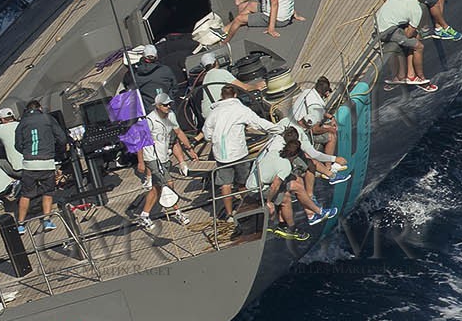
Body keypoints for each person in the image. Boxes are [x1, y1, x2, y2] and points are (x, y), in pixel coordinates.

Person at [203, 84, 283, 221]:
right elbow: (259, 123)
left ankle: (229, 215)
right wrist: (279, 129)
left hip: (221, 155)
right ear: (235, 95)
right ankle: (250, 207)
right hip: (238, 153)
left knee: (225, 184)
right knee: (244, 182)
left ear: (222, 97)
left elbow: (206, 134)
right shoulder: (240, 109)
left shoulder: (214, 113)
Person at [249, 127, 339, 237]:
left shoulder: (275, 152)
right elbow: (275, 186)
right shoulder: (285, 166)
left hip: (254, 180)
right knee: (286, 197)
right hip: (257, 189)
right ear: (296, 155)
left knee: (297, 181)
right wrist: (269, 202)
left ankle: (311, 214)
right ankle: (291, 227)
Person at [133, 90, 195, 231]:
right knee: (169, 183)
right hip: (153, 158)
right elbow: (140, 143)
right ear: (158, 106)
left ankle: (144, 215)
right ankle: (177, 212)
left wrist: (190, 149)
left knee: (156, 188)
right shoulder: (148, 121)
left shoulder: (171, 115)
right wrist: (141, 162)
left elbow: (178, 132)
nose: (168, 107)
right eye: (165, 105)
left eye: (170, 104)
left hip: (164, 157)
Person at [13, 99, 68, 235]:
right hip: (46, 162)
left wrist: (27, 152)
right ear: (40, 108)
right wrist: (57, 151)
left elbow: (18, 145)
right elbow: (61, 138)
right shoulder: (48, 119)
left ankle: (20, 224)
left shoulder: (22, 123)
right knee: (47, 192)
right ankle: (47, 220)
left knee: (26, 194)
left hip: (29, 163)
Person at [374, 0, 436, 91]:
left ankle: (408, 74)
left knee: (412, 37)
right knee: (418, 46)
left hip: (377, 23)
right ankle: (420, 77)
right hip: (385, 32)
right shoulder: (416, 10)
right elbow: (408, 34)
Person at [290, 76, 338, 155]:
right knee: (331, 137)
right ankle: (328, 166)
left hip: (293, 122)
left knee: (326, 126)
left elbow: (315, 111)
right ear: (326, 93)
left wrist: (330, 117)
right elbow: (314, 130)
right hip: (300, 132)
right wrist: (330, 129)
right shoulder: (316, 105)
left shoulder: (308, 92)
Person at [0, 107, 25, 173]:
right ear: (13, 117)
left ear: (2, 120)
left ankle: (10, 181)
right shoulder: (22, 124)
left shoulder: (0, 128)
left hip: (20, 170)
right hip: (32, 165)